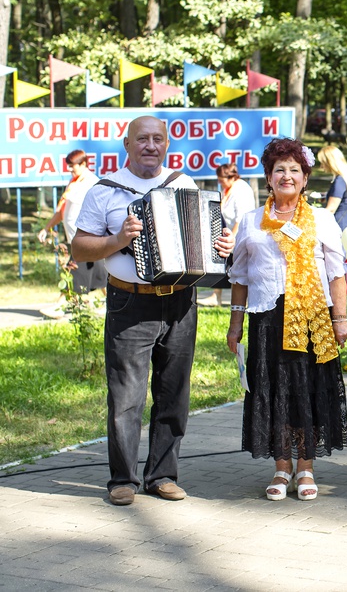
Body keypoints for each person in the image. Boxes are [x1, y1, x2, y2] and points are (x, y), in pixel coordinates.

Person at [72, 116, 235, 506]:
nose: (150, 146)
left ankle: (162, 474)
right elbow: (79, 248)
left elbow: (210, 238)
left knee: (173, 392)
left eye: (157, 139)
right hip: (130, 300)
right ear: (126, 144)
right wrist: (116, 239)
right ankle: (122, 479)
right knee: (126, 395)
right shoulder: (104, 190)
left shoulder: (182, 183)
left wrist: (222, 244)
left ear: (166, 145)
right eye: (142, 139)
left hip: (180, 299)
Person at [226, 138, 347, 501]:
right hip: (267, 319)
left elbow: (336, 274)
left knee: (306, 392)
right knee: (273, 391)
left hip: (312, 320)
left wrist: (340, 319)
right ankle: (282, 467)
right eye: (279, 169)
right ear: (268, 177)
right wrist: (235, 325)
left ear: (305, 178)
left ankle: (306, 468)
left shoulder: (323, 220)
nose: (287, 175)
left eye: (294, 169)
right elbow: (240, 277)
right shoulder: (251, 222)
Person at [37, 149, 108, 317]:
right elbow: (62, 211)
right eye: (68, 166)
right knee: (100, 273)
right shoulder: (74, 182)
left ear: (83, 164)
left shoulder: (92, 183)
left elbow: (101, 211)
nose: (70, 170)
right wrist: (46, 228)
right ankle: (113, 304)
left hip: (86, 238)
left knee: (73, 269)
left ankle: (60, 305)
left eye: (72, 166)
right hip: (76, 238)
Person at [198, 162, 256, 307]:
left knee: (241, 271)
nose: (219, 182)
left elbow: (241, 218)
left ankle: (248, 301)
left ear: (229, 177)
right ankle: (215, 295)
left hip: (240, 236)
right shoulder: (227, 189)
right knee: (222, 265)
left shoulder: (241, 189)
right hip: (228, 234)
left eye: (220, 179)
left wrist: (232, 238)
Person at [319, 145, 347, 232]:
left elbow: (331, 209)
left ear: (330, 162)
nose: (321, 166)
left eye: (323, 162)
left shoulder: (339, 180)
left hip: (338, 228)